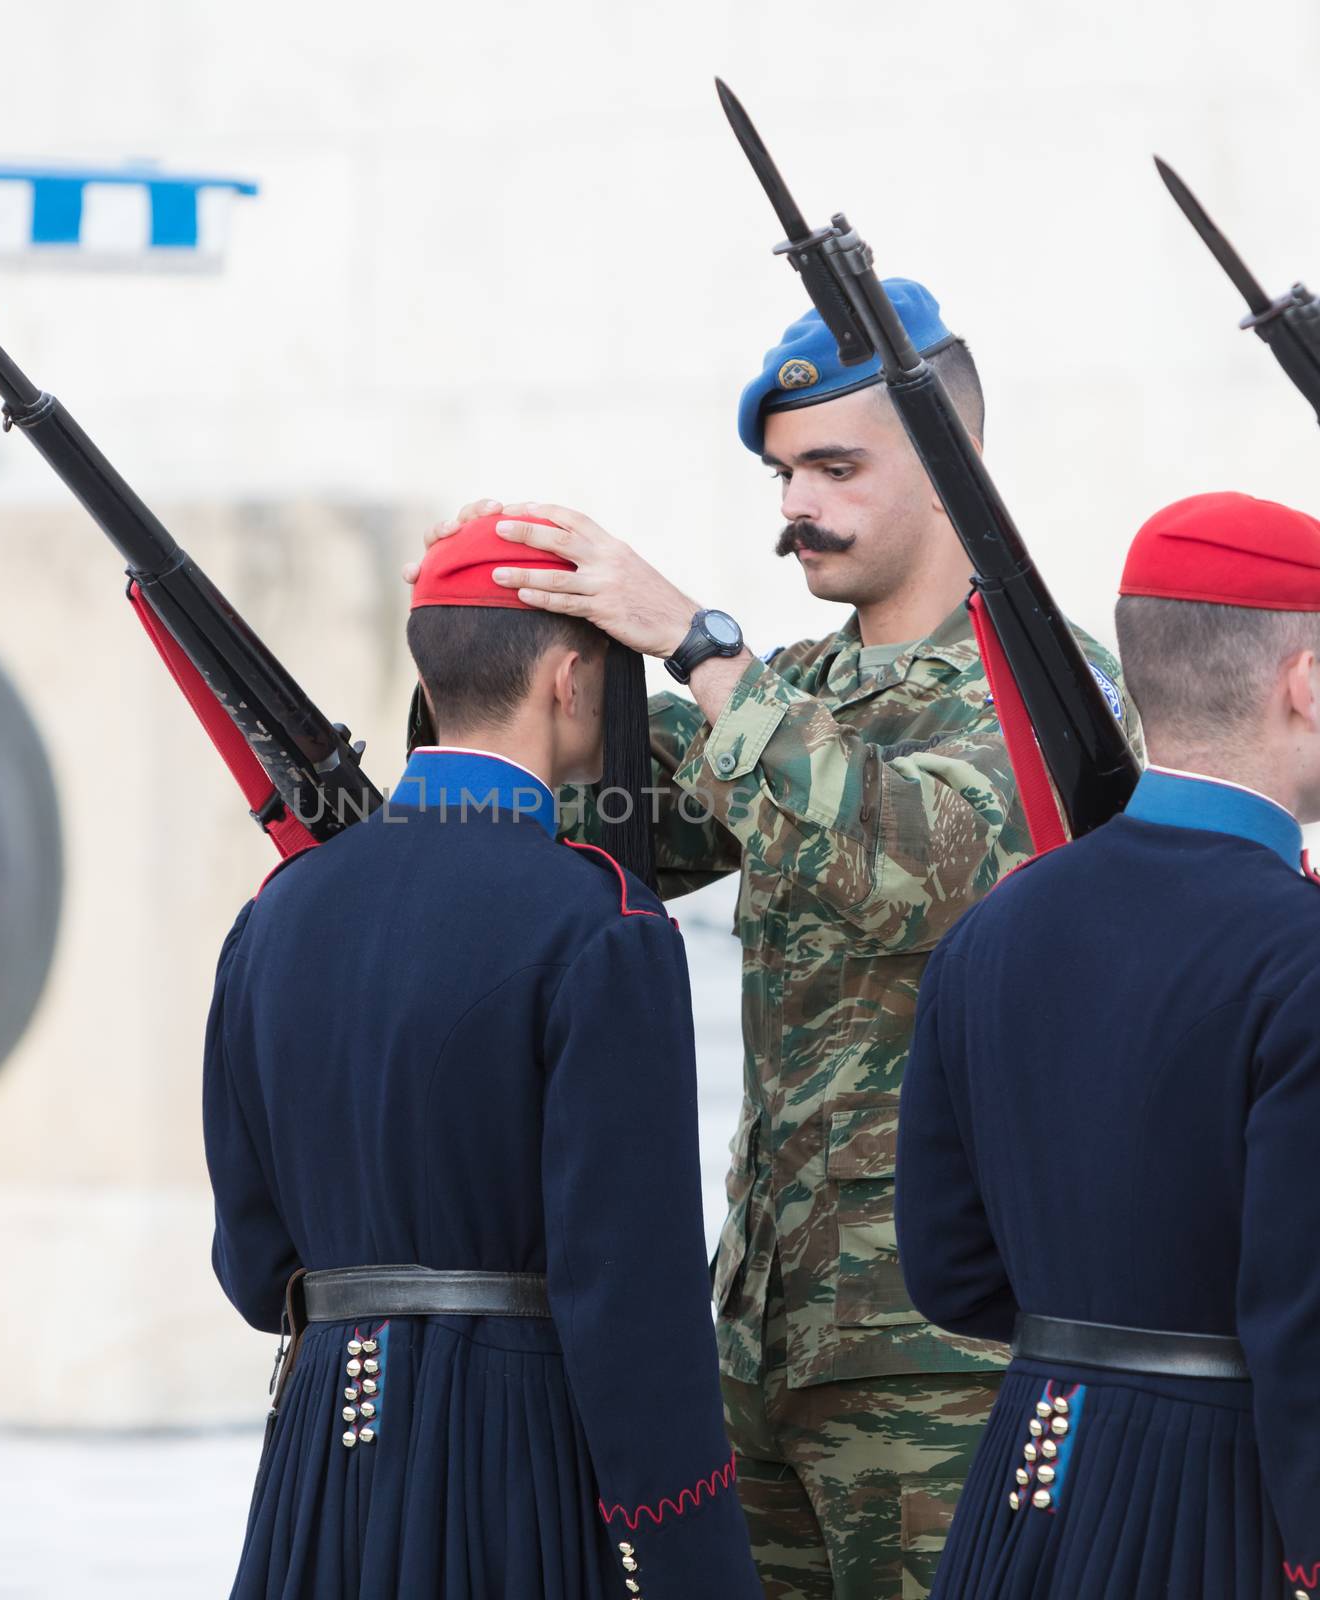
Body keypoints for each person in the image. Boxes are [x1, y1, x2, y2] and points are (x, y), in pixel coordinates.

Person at [407, 281, 1143, 1598]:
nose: (797, 503)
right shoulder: (793, 695)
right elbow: (585, 831)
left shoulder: (1049, 695)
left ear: (957, 467)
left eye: (836, 467)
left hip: (939, 1359)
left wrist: (697, 643)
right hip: (757, 1340)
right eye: (784, 472)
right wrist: (496, 653)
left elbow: (910, 862)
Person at [202, 513, 761, 1599]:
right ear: (568, 678)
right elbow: (629, 1294)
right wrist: (695, 1560)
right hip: (513, 1454)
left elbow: (251, 1259)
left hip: (321, 1451)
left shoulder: (278, 908)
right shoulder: (602, 920)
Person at [896, 490, 1320, 1598]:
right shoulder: (1300, 948)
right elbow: (1304, 1313)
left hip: (1022, 1493)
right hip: (1226, 1509)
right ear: (1304, 680)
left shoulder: (992, 927)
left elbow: (946, 1267)